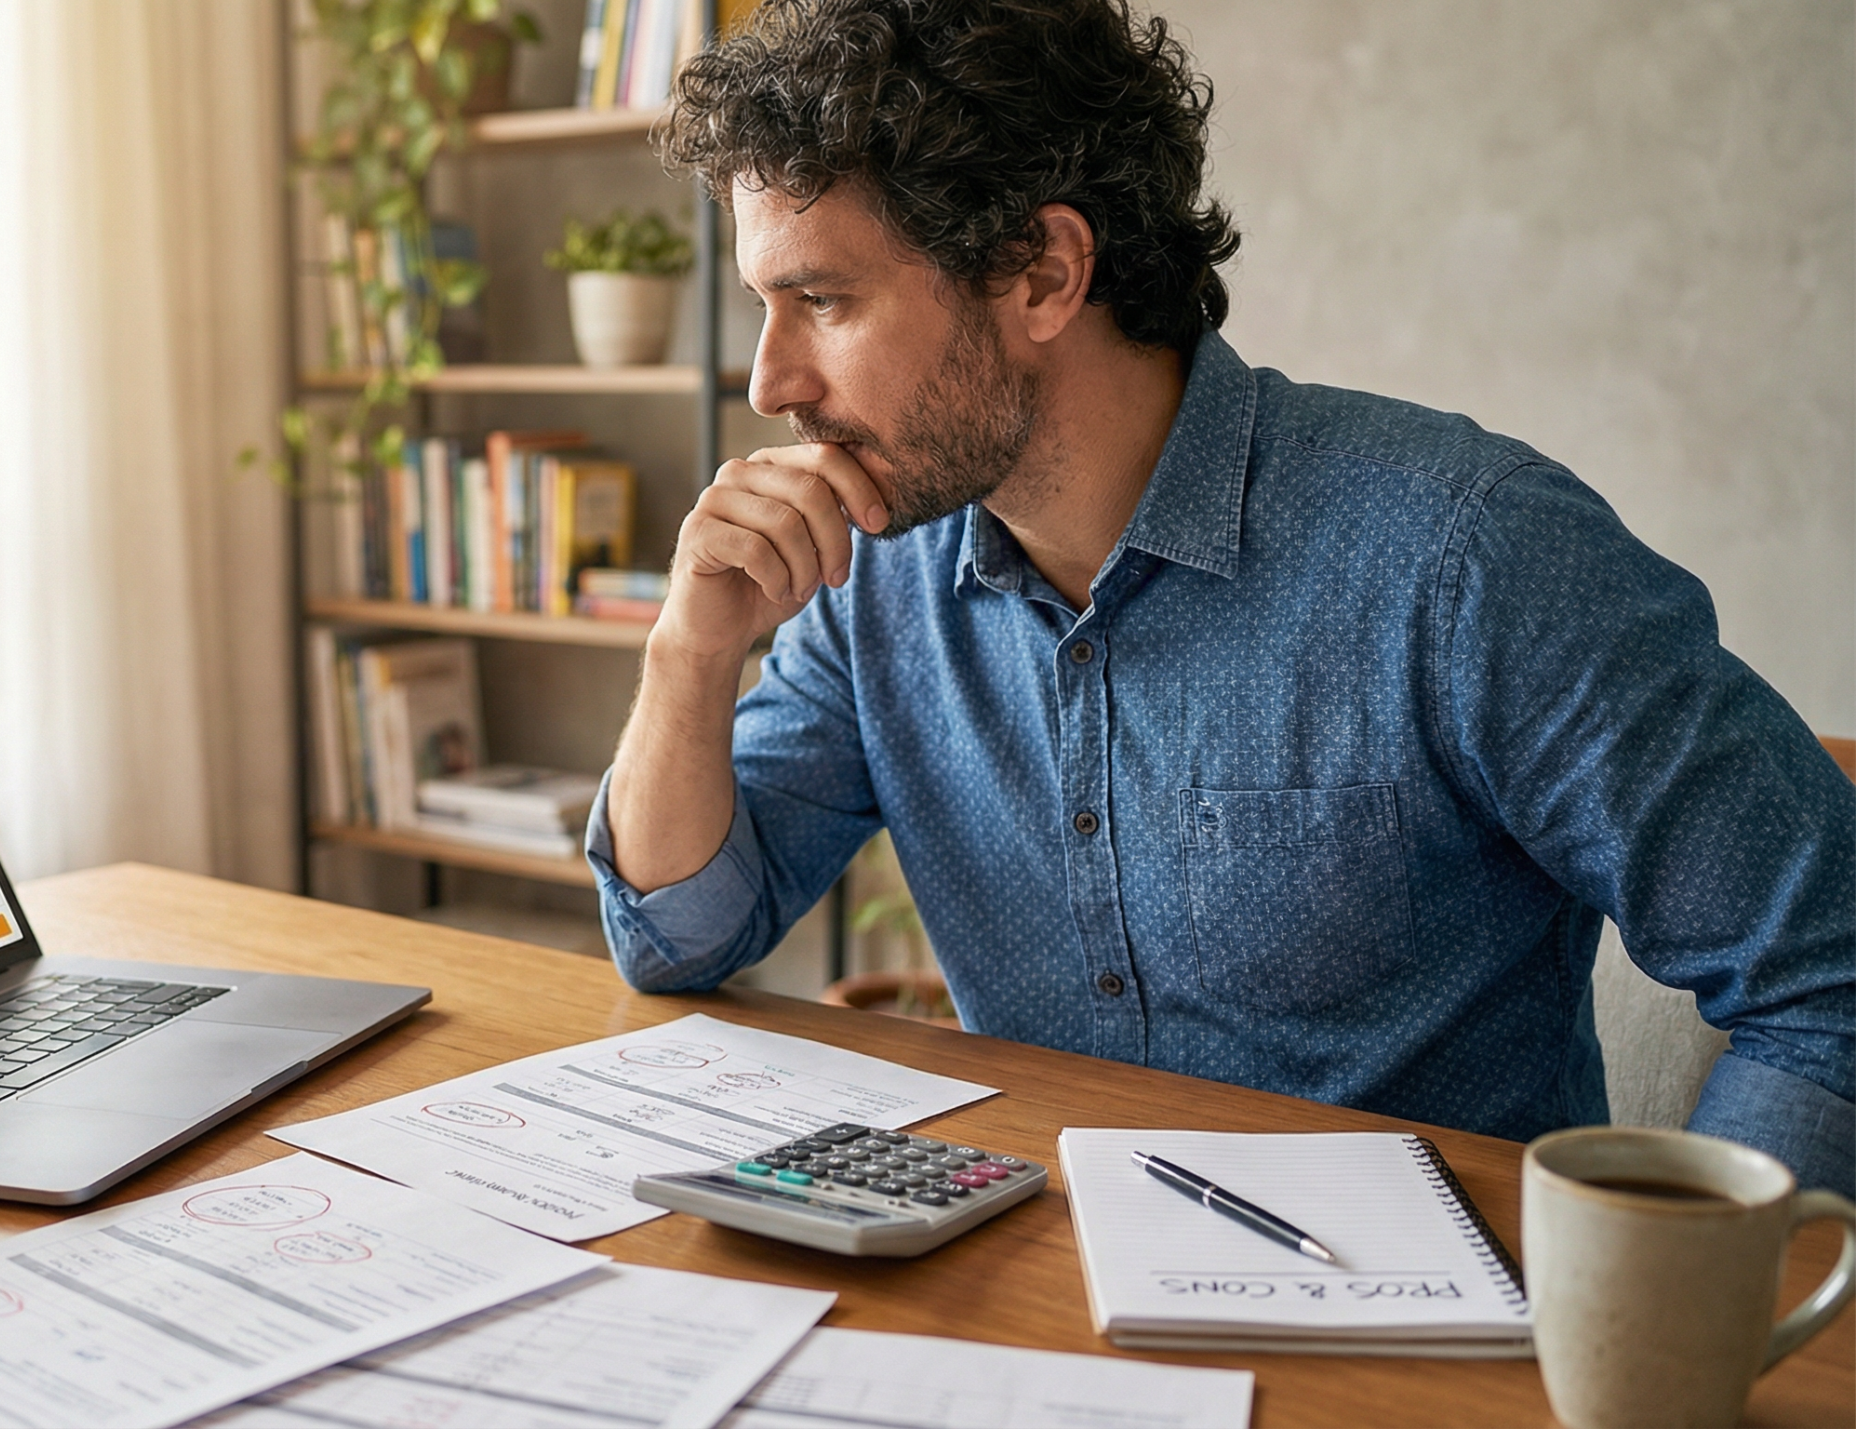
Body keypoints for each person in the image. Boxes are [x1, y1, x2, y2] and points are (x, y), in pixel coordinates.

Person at [591, 0, 1854, 1194]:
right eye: (767, 305)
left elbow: (1826, 974)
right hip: (1041, 1298)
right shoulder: (878, 573)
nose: (768, 382)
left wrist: (1685, 1333)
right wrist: (687, 654)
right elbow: (678, 936)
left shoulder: (1468, 555)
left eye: (822, 300)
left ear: (1041, 272)